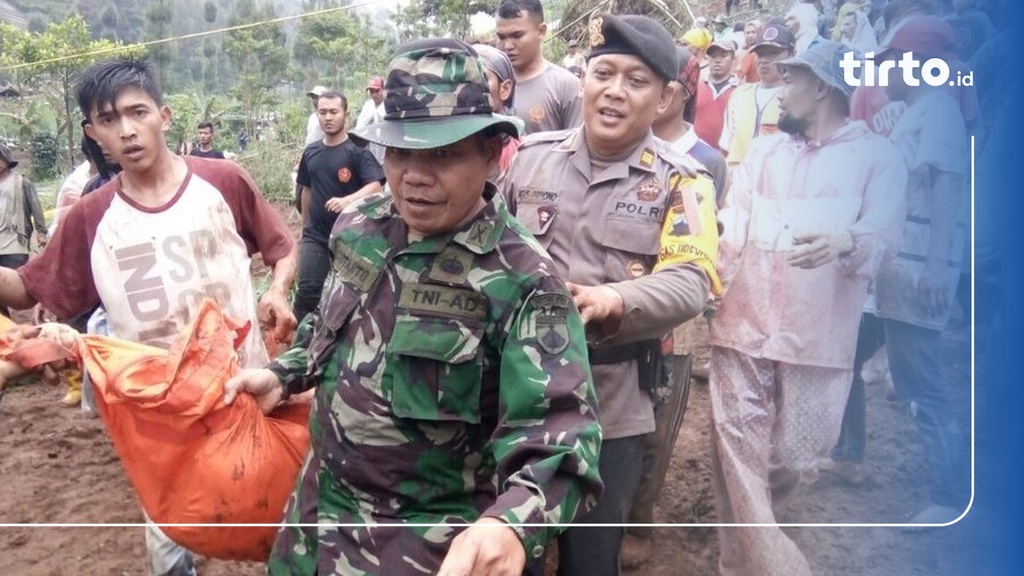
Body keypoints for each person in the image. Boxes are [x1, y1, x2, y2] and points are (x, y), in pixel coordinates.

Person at [223, 38, 603, 576]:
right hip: (313, 527)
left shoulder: (524, 282)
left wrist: (512, 523)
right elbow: (328, 328)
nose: (415, 176)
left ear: (492, 153)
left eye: (443, 155)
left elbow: (560, 435)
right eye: (400, 152)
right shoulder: (359, 229)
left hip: (425, 550)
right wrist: (285, 374)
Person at [0, 58, 298, 576]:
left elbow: (281, 247)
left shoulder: (222, 182)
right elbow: (26, 288)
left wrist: (280, 290)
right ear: (94, 133)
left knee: (271, 512)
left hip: (244, 388)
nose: (127, 130)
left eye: (137, 112)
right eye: (109, 120)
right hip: (157, 411)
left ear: (163, 114)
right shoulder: (91, 218)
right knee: (167, 532)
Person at [503, 14, 720, 575]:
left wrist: (616, 299)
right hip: (518, 394)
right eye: (604, 73)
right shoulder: (529, 158)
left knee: (592, 557)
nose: (614, 92)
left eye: (636, 80)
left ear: (667, 95)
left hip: (613, 402)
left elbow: (692, 279)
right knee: (510, 546)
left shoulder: (683, 180)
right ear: (584, 79)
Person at [709, 40, 906, 576]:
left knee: (792, 466)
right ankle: (752, 566)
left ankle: (760, 549)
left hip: (816, 345)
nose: (779, 94)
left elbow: (885, 239)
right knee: (737, 458)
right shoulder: (766, 153)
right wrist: (705, 272)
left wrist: (848, 239)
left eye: (791, 82)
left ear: (821, 88)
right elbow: (734, 226)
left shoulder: (879, 160)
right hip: (742, 330)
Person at [620, 43, 728, 569]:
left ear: (675, 94)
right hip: (615, 313)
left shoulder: (705, 162)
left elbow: (697, 251)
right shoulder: (615, 146)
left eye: (646, 80)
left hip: (672, 315)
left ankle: (639, 517)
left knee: (658, 424)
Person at [870, 26, 970, 524]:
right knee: (845, 354)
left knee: (921, 383)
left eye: (889, 61)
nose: (881, 71)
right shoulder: (920, 110)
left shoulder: (940, 112)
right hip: (895, 269)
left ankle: (951, 496)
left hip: (916, 271)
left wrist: (934, 266)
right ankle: (844, 452)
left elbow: (948, 185)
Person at [293, 90, 384, 323]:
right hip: (317, 236)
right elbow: (307, 190)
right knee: (307, 293)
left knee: (349, 299)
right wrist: (305, 229)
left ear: (346, 114)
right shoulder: (311, 152)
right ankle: (302, 347)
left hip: (352, 238)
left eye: (334, 112)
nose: (328, 117)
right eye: (322, 112)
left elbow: (376, 186)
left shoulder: (357, 151)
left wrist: (347, 201)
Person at [496, 0, 582, 134]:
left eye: (517, 35)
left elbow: (577, 147)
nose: (507, 46)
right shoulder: (491, 86)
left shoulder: (566, 86)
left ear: (541, 31)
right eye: (501, 37)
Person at [720, 20, 794, 168]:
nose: (764, 61)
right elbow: (726, 147)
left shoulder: (798, 99)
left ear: (792, 54)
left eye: (773, 53)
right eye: (760, 54)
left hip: (776, 184)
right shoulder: (739, 95)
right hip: (737, 180)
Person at [0, 145, 45, 320]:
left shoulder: (21, 182)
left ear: (6, 160)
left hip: (14, 243)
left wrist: (41, 231)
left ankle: (25, 324)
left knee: (17, 290)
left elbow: (36, 208)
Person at [473, 43, 522, 176]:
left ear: (505, 89)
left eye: (482, 78)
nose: (472, 87)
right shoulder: (451, 143)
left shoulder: (523, 153)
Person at [695, 39, 739, 153]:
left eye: (724, 56)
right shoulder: (696, 86)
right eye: (713, 56)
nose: (717, 60)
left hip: (725, 156)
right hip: (694, 152)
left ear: (733, 59)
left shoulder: (740, 92)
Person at [354, 76, 386, 165]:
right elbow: (359, 127)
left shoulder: (388, 106)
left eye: (377, 91)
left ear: (383, 89)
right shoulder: (367, 105)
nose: (374, 94)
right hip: (369, 147)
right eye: (372, 91)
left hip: (384, 148)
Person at [735, 19, 763, 84]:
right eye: (747, 33)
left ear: (760, 33)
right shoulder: (740, 51)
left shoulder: (762, 51)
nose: (750, 36)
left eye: (753, 32)